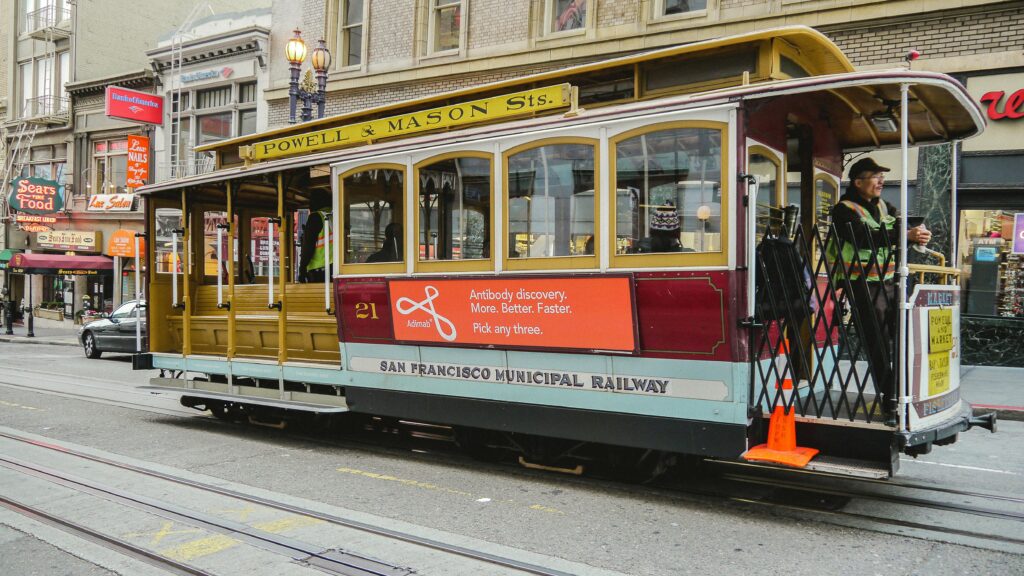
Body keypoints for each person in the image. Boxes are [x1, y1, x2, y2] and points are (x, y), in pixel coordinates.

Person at [828, 157, 931, 412]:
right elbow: (864, 239)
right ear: (858, 182)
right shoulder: (844, 209)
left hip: (890, 282)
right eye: (875, 176)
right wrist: (903, 235)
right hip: (861, 284)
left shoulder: (885, 207)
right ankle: (889, 396)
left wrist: (916, 235)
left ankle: (904, 390)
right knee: (878, 342)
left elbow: (900, 233)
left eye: (882, 176)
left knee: (904, 337)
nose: (881, 180)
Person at [298, 190, 332, 283]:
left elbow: (308, 247)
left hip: (320, 272)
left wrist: (302, 269)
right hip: (336, 268)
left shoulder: (316, 217)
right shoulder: (335, 215)